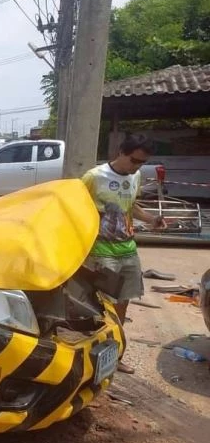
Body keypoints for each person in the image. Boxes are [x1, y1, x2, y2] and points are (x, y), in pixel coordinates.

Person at [81, 133, 167, 375]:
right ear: (120, 152)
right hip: (101, 250)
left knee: (122, 306)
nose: (136, 166)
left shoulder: (135, 175)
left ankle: (115, 357)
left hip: (127, 249)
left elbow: (131, 206)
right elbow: (76, 207)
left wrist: (152, 219)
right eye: (133, 160)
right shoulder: (94, 177)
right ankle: (92, 360)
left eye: (141, 162)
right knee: (102, 308)